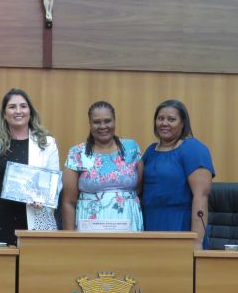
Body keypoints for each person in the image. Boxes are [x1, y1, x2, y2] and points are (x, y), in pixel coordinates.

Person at [0, 88, 59, 246]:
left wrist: (44, 199)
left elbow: (54, 184)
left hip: (33, 217)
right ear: (4, 114)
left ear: (30, 111)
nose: (18, 111)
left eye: (23, 106)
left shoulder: (47, 143)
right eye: (12, 107)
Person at [141, 99, 215, 250]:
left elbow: (201, 196)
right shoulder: (150, 151)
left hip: (180, 224)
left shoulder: (193, 149)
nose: (164, 123)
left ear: (183, 123)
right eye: (160, 118)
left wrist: (196, 240)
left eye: (171, 119)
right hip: (150, 223)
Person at [61, 101, 143, 231]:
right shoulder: (76, 153)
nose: (103, 126)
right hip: (89, 226)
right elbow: (69, 202)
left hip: (128, 223)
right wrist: (69, 240)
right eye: (97, 122)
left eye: (107, 121)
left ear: (114, 121)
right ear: (90, 124)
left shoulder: (131, 148)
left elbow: (140, 189)